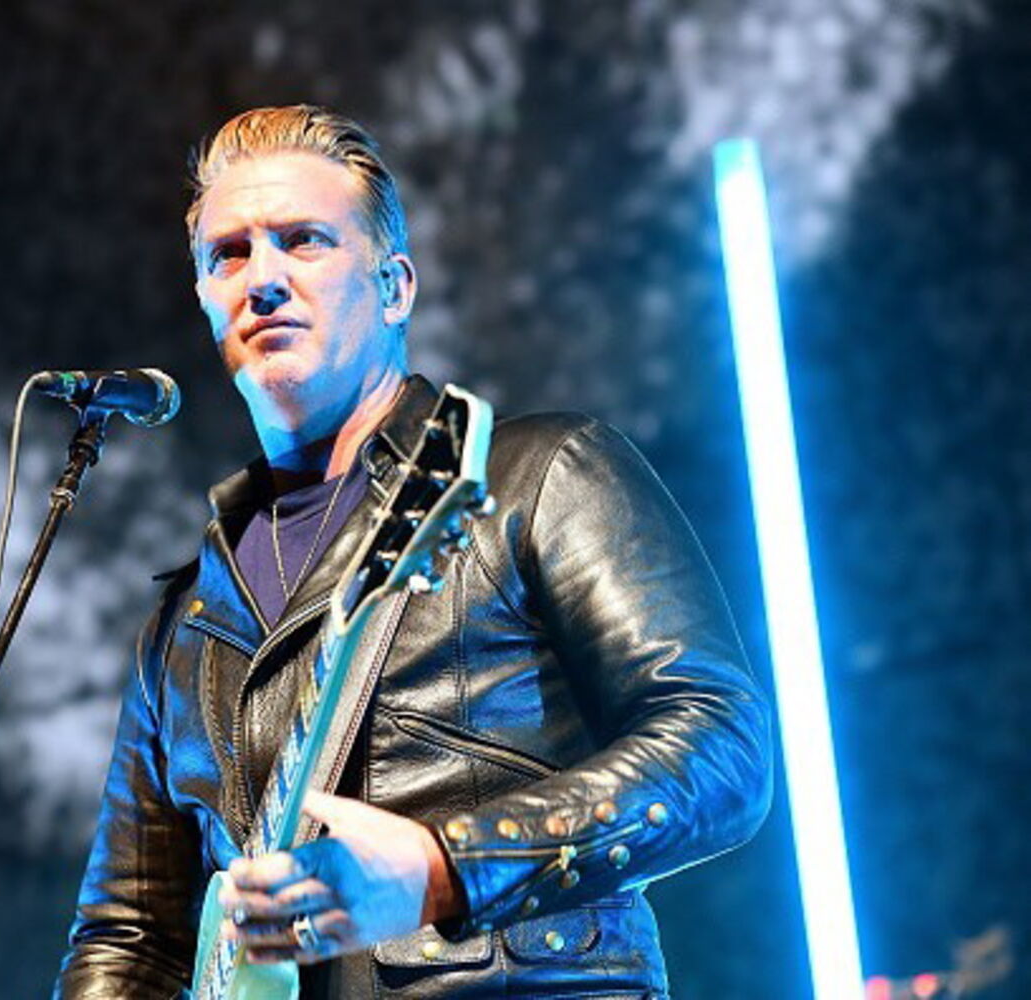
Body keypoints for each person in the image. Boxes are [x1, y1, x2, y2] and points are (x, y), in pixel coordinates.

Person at [56, 104, 771, 998]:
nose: (263, 279)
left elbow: (720, 748)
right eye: (228, 255)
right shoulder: (186, 617)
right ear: (204, 299)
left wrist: (445, 866)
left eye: (303, 240)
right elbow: (129, 938)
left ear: (395, 288)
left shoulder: (536, 475)